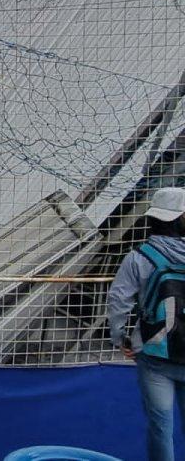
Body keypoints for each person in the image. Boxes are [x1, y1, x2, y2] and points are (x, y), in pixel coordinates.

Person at [107, 186, 185, 461]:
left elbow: (119, 301)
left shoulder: (139, 257)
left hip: (154, 354)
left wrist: (120, 338)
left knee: (161, 427)